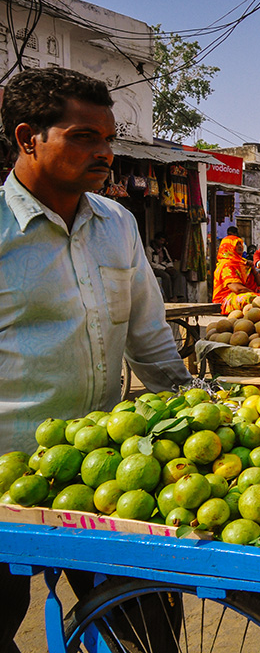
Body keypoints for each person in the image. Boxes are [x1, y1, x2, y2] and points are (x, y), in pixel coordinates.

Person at [0, 67, 190, 653]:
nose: (105, 153)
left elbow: (149, 337)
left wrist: (196, 404)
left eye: (109, 138)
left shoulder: (119, 224)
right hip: (5, 483)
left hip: (108, 478)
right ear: (28, 137)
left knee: (147, 635)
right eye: (84, 136)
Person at [213, 233, 260, 314]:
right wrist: (255, 294)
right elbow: (237, 288)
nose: (240, 246)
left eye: (240, 243)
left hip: (244, 293)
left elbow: (259, 283)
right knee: (252, 298)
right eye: (236, 244)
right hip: (226, 299)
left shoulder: (243, 263)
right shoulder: (226, 264)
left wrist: (253, 268)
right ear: (228, 247)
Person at [146, 230, 186, 302]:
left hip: (164, 267)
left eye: (163, 241)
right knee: (166, 276)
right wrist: (164, 269)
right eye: (160, 240)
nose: (162, 243)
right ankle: (169, 297)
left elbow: (168, 260)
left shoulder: (163, 249)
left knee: (177, 275)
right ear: (156, 240)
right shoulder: (149, 249)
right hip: (154, 269)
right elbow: (150, 263)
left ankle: (176, 296)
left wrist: (170, 267)